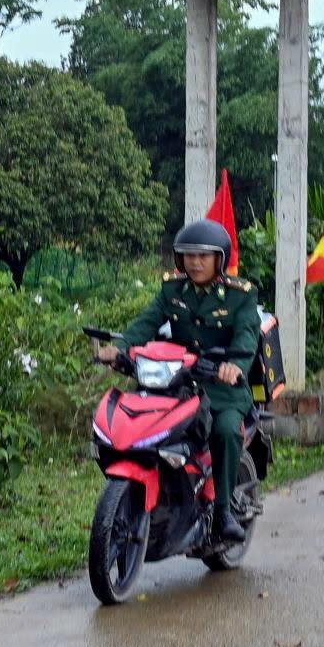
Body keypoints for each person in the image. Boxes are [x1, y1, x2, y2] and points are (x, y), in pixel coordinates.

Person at [104, 218, 258, 543]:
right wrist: (119, 349)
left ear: (220, 259)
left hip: (222, 387)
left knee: (225, 429)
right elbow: (146, 322)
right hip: (181, 381)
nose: (196, 262)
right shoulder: (172, 290)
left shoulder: (239, 295)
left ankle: (224, 510)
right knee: (148, 424)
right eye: (189, 255)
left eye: (204, 256)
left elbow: (247, 335)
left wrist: (234, 365)